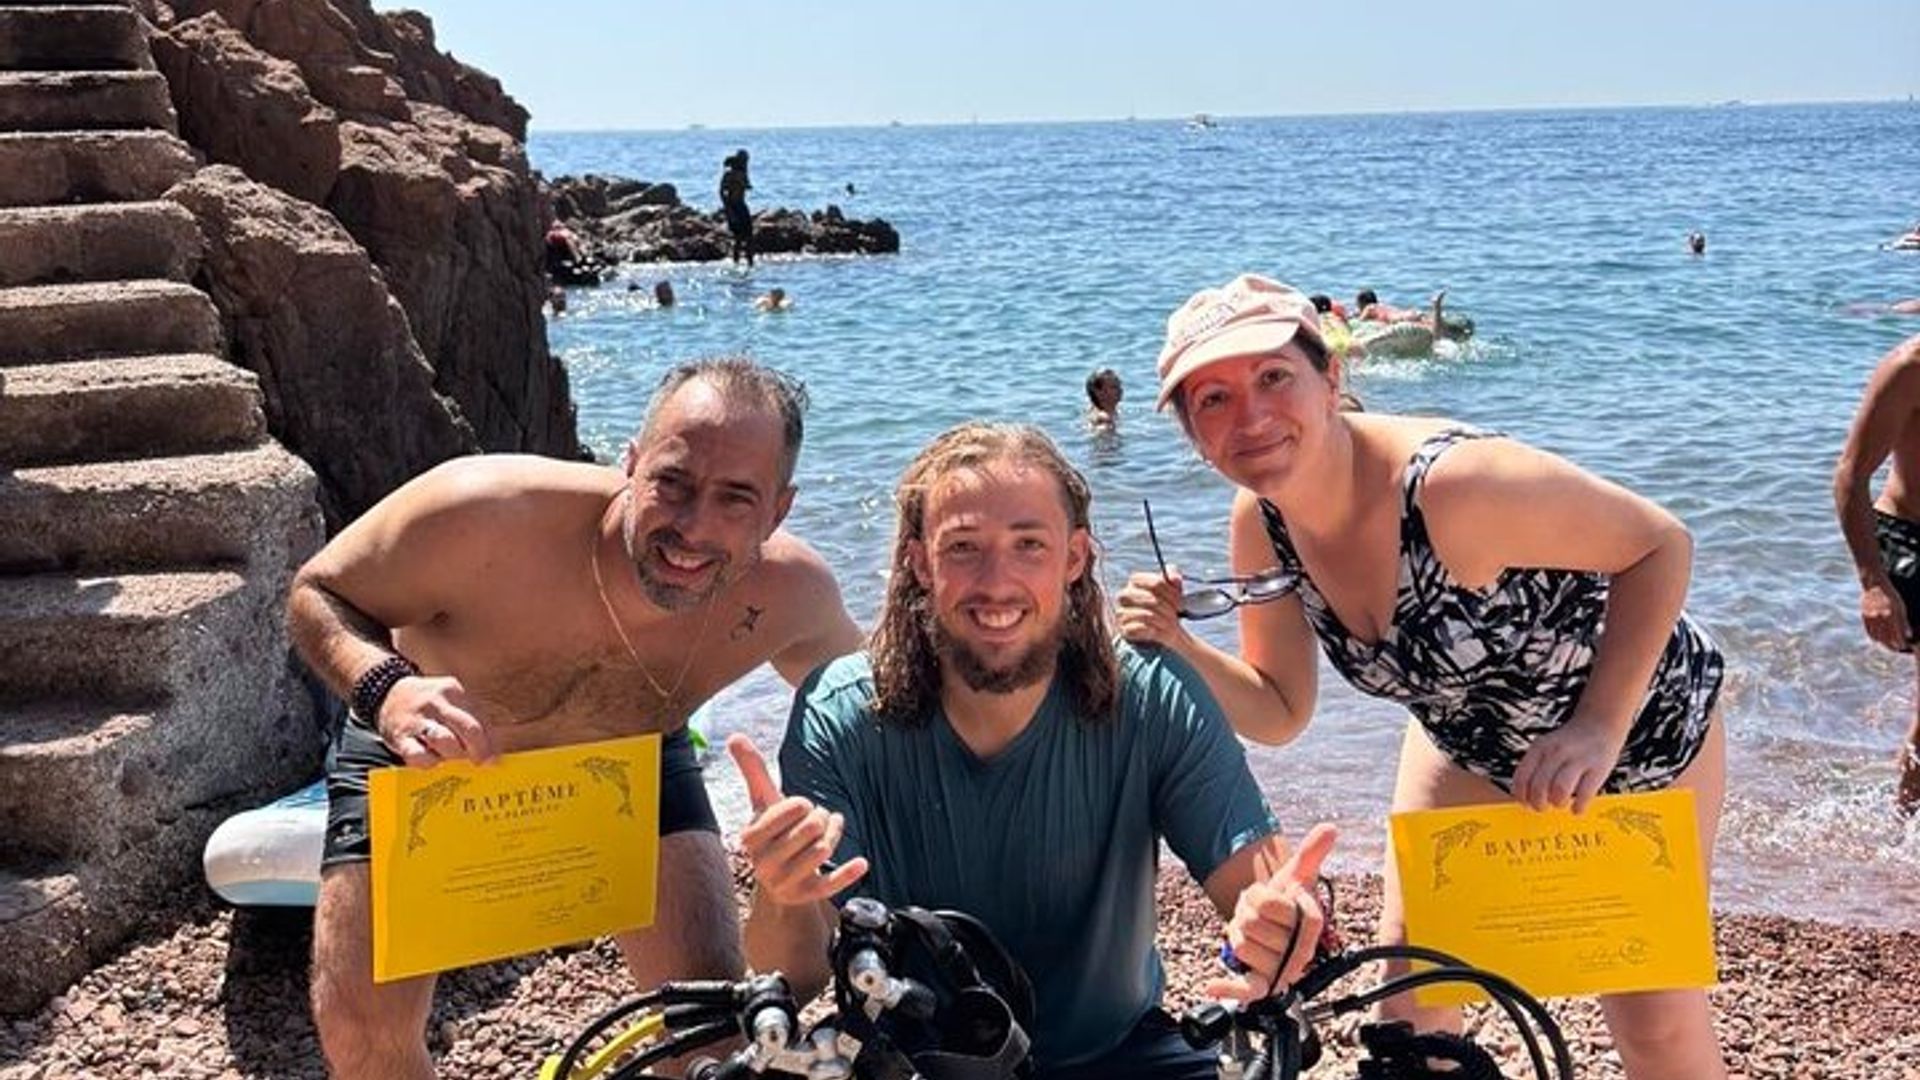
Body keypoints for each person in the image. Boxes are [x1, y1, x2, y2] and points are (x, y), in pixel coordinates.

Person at [1117, 274, 1729, 1080]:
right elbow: (1279, 710)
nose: (1252, 417)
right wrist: (1180, 646)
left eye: (1274, 378)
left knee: (1656, 1030)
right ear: (1194, 432)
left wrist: (1598, 726)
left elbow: (1660, 545)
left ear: (1331, 379)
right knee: (1411, 1016)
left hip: (1639, 734)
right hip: (1465, 741)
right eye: (1214, 399)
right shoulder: (1261, 521)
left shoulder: (1453, 486)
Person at [289, 357, 863, 1079]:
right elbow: (317, 593)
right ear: (630, 464)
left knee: (717, 1030)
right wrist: (386, 687)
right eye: (673, 483)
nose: (692, 527)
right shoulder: (484, 513)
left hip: (627, 759)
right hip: (427, 756)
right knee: (363, 1038)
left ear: (778, 510)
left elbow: (877, 702)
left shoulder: (793, 593)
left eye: (736, 499)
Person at [734, 421, 1337, 1079]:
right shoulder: (841, 714)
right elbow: (789, 975)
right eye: (963, 547)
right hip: (911, 1061)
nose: (998, 582)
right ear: (918, 562)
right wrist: (781, 890)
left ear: (1075, 558)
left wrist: (1278, 924)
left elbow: (1257, 886)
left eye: (1029, 545)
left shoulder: (1154, 697)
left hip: (1117, 1052)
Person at [1832, 332, 1920, 816]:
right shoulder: (1909, 366)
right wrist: (1874, 583)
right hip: (1908, 540)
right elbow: (1850, 475)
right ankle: (1905, 831)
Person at [719, 150, 755, 267]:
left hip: (742, 205)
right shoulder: (729, 174)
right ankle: (736, 263)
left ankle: (750, 263)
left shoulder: (742, 173)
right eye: (745, 160)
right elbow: (722, 192)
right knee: (738, 238)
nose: (746, 163)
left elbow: (747, 186)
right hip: (733, 206)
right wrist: (729, 210)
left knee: (749, 237)